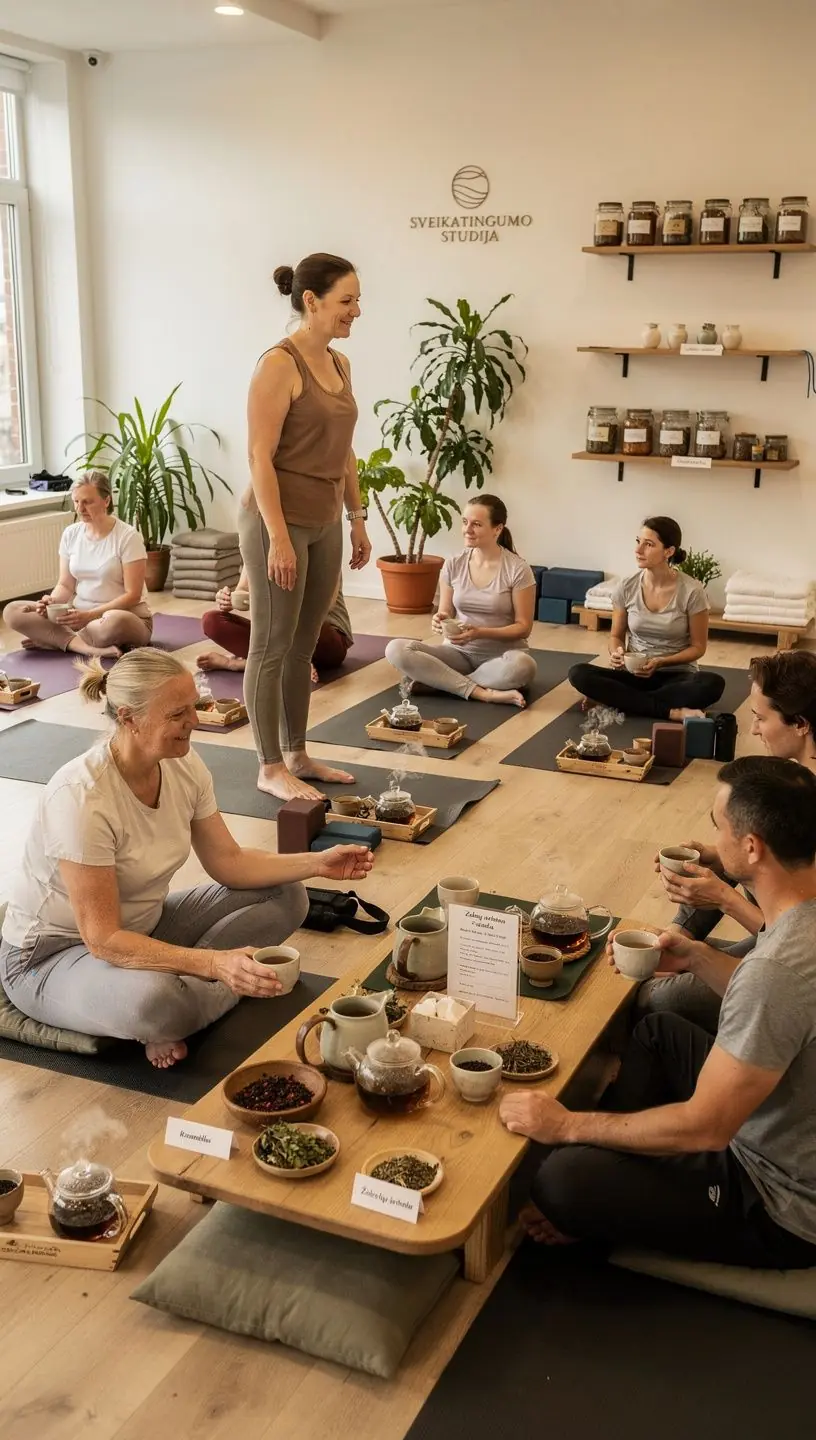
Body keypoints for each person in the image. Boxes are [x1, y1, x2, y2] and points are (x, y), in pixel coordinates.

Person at [501, 757, 816, 1268]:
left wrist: (567, 1126)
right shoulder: (800, 921)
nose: (714, 839)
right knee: (658, 1033)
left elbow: (706, 1128)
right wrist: (696, 957)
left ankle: (602, 1192)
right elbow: (783, 1007)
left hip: (781, 1198)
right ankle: (624, 1169)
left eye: (721, 828)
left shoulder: (778, 970)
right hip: (780, 1115)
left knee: (561, 1180)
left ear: (752, 847)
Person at [0, 649, 374, 1069]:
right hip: (51, 957)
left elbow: (229, 862)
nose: (194, 721)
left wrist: (317, 863)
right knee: (156, 1002)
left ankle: (186, 1000)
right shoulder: (82, 796)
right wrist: (213, 963)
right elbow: (102, 940)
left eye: (193, 706)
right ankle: (178, 1007)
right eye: (177, 713)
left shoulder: (183, 764)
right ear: (128, 718)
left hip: (145, 926)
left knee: (287, 895)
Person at [238, 252, 372, 803]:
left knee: (303, 645)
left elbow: (343, 451)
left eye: (358, 300)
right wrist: (277, 537)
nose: (357, 311)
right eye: (347, 301)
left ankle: (297, 752)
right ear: (311, 302)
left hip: (324, 519)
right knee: (269, 645)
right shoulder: (278, 364)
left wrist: (357, 517)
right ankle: (269, 766)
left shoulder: (339, 366)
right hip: (278, 520)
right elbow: (259, 458)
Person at [641, 650, 816, 1032]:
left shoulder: (801, 799)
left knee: (656, 994)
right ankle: (678, 933)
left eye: (760, 718)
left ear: (800, 723)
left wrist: (724, 897)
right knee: (657, 961)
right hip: (776, 938)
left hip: (799, 965)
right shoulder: (794, 778)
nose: (753, 729)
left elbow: (800, 941)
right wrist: (720, 857)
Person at [385, 496, 537, 708]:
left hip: (501, 658)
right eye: (465, 522)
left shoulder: (518, 569)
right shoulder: (453, 564)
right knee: (396, 648)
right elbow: (446, 611)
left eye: (476, 524)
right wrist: (441, 619)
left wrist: (480, 632)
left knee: (524, 666)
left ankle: (442, 682)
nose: (468, 529)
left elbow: (524, 628)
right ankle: (482, 693)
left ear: (497, 529)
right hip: (458, 654)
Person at [568, 516, 725, 720]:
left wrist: (660, 662)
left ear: (669, 551)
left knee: (712, 684)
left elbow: (698, 648)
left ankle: (619, 700)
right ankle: (669, 711)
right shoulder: (626, 586)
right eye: (638, 542)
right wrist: (617, 652)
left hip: (676, 676)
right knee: (578, 673)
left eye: (649, 544)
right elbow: (615, 636)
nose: (638, 550)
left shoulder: (692, 591)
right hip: (633, 673)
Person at [2, 473, 153, 658]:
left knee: (112, 622)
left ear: (106, 501)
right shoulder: (71, 534)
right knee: (13, 610)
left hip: (122, 619)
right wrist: (51, 602)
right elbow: (65, 585)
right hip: (78, 619)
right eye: (76, 501)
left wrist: (89, 615)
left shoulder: (128, 537)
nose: (80, 508)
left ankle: (56, 640)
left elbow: (133, 595)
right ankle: (86, 648)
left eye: (87, 502)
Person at [196, 566, 354, 681]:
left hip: (323, 637)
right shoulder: (257, 544)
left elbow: (326, 605)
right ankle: (289, 664)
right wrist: (227, 599)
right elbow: (242, 592)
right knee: (211, 621)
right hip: (278, 637)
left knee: (300, 618)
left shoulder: (320, 540)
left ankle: (239, 664)